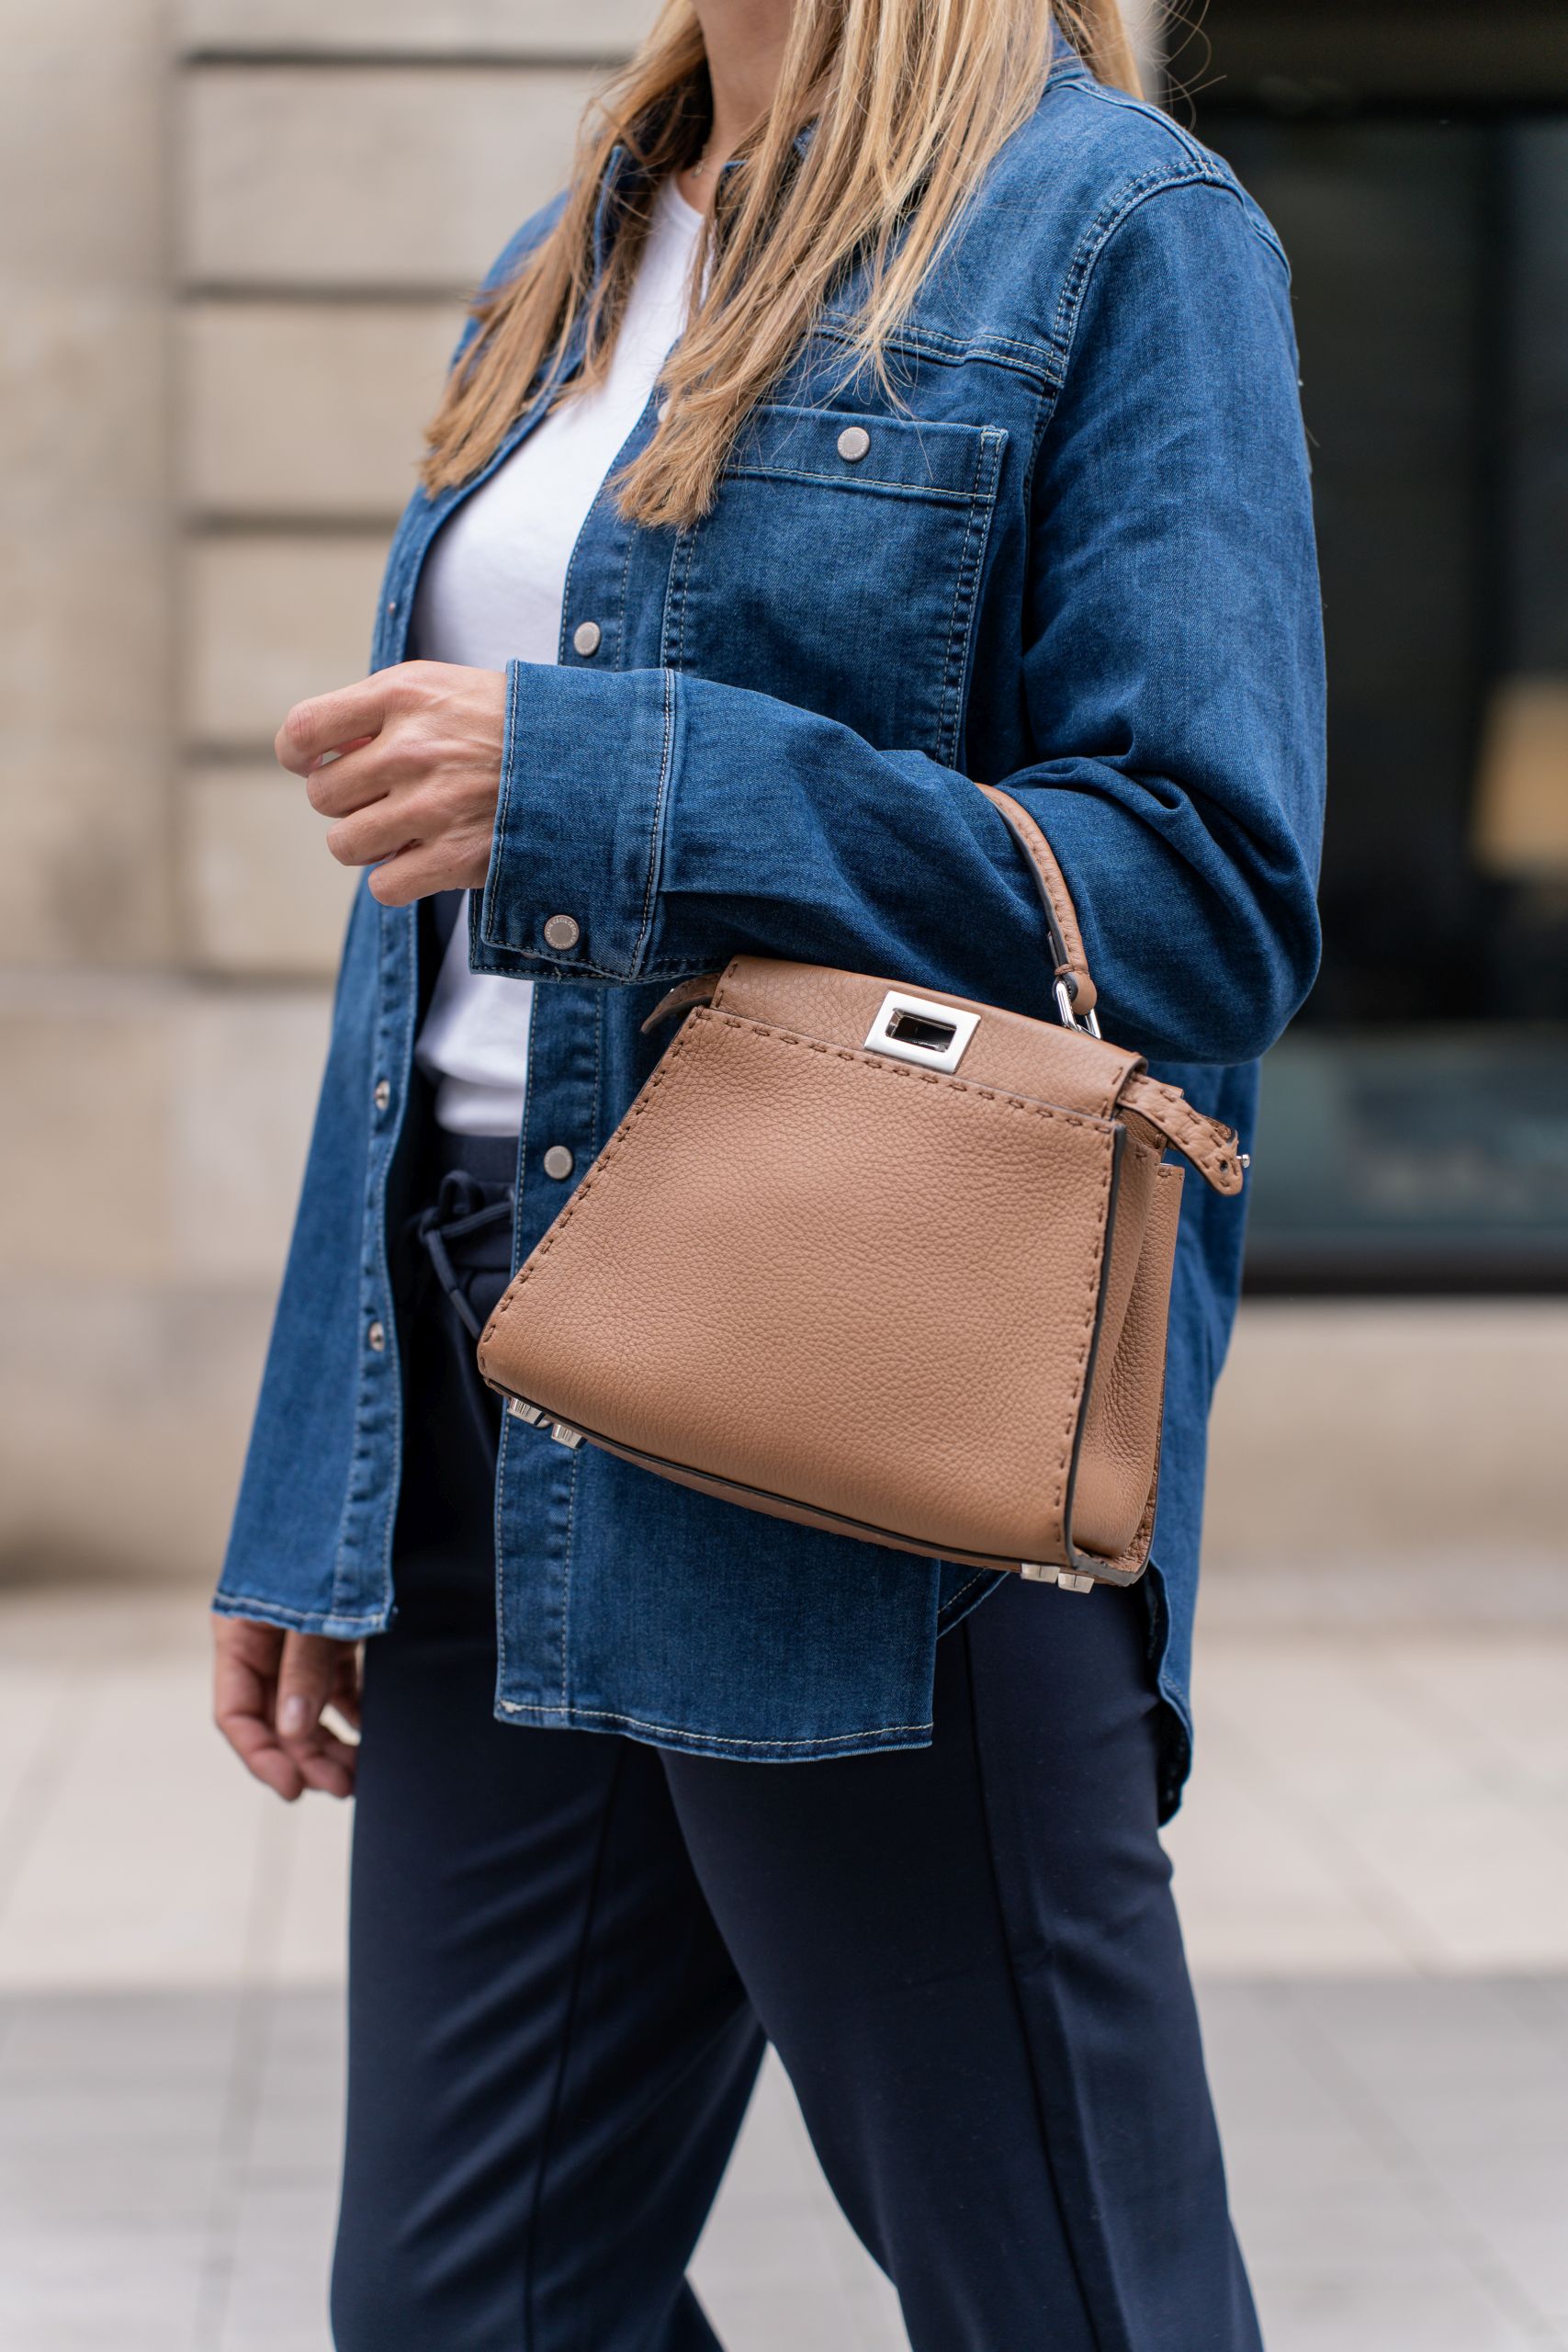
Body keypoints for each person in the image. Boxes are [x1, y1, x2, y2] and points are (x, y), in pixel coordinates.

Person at [211, 0, 1325, 2341]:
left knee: (1061, 2288)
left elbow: (1206, 885)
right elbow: (417, 950)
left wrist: (635, 781)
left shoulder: (1114, 230)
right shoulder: (581, 240)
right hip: (489, 1371)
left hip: (860, 1390)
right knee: (469, 2310)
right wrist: (316, 1452)